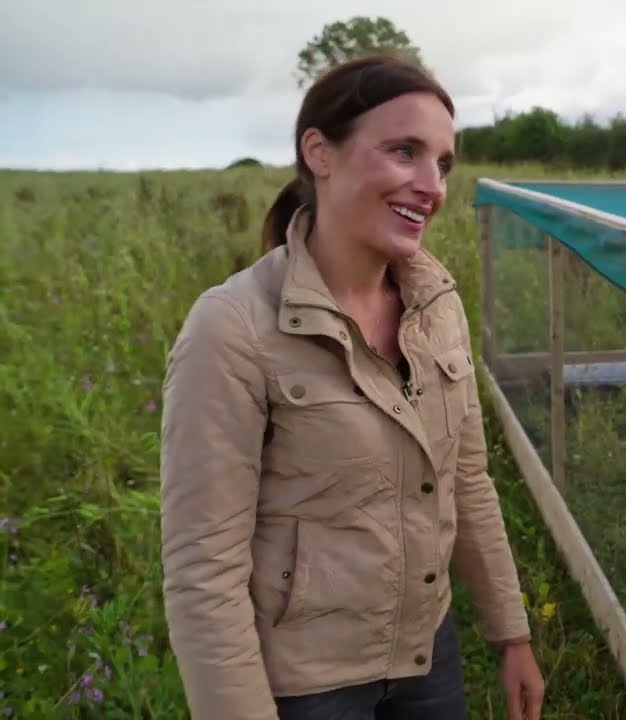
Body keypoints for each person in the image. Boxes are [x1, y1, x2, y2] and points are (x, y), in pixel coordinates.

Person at [159, 54, 544, 720]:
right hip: (309, 686)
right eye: (404, 152)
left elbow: (468, 481)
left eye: (444, 163)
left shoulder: (437, 304)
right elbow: (204, 571)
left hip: (428, 657)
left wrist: (511, 634)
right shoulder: (234, 328)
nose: (432, 186)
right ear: (319, 152)